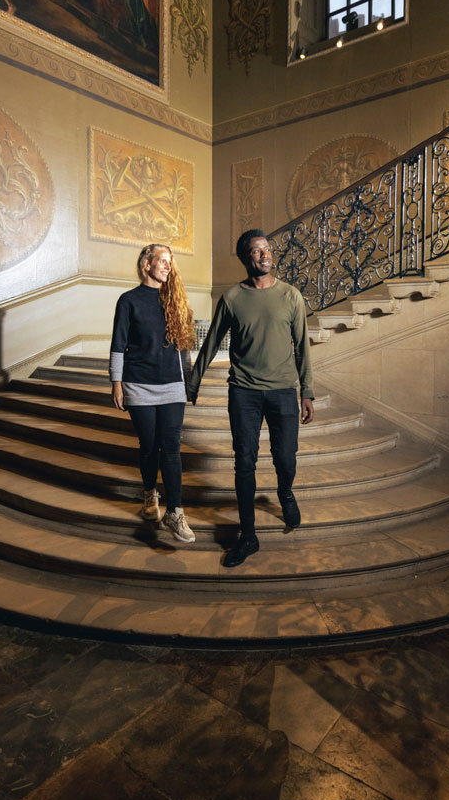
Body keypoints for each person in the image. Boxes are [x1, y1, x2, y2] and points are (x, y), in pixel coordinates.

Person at [188, 229, 314, 567]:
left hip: (284, 391)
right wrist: (193, 381)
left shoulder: (291, 296)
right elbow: (212, 341)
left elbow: (302, 347)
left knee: (285, 458)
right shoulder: (232, 299)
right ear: (246, 258)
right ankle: (248, 535)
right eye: (256, 251)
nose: (264, 255)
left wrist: (308, 392)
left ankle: (285, 493)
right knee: (244, 462)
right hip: (243, 391)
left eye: (267, 249)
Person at [110, 243, 196, 544]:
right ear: (146, 264)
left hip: (172, 385)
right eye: (162, 260)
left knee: (171, 448)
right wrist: (116, 383)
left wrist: (190, 384)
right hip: (139, 384)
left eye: (170, 262)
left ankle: (175, 511)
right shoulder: (128, 301)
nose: (167, 266)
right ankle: (149, 495)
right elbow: (118, 345)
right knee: (149, 445)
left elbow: (184, 349)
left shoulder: (175, 300)